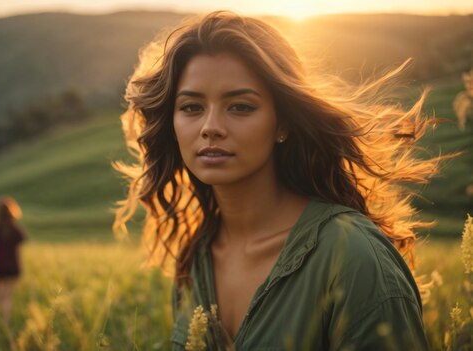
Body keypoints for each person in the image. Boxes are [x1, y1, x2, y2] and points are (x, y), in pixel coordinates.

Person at [113, 11, 441, 350]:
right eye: (192, 107)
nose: (210, 126)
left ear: (282, 124)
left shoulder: (352, 255)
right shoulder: (195, 259)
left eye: (240, 107)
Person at [0, 196, 26, 324]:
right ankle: (5, 322)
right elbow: (18, 253)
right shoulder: (16, 231)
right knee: (7, 297)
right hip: (12, 268)